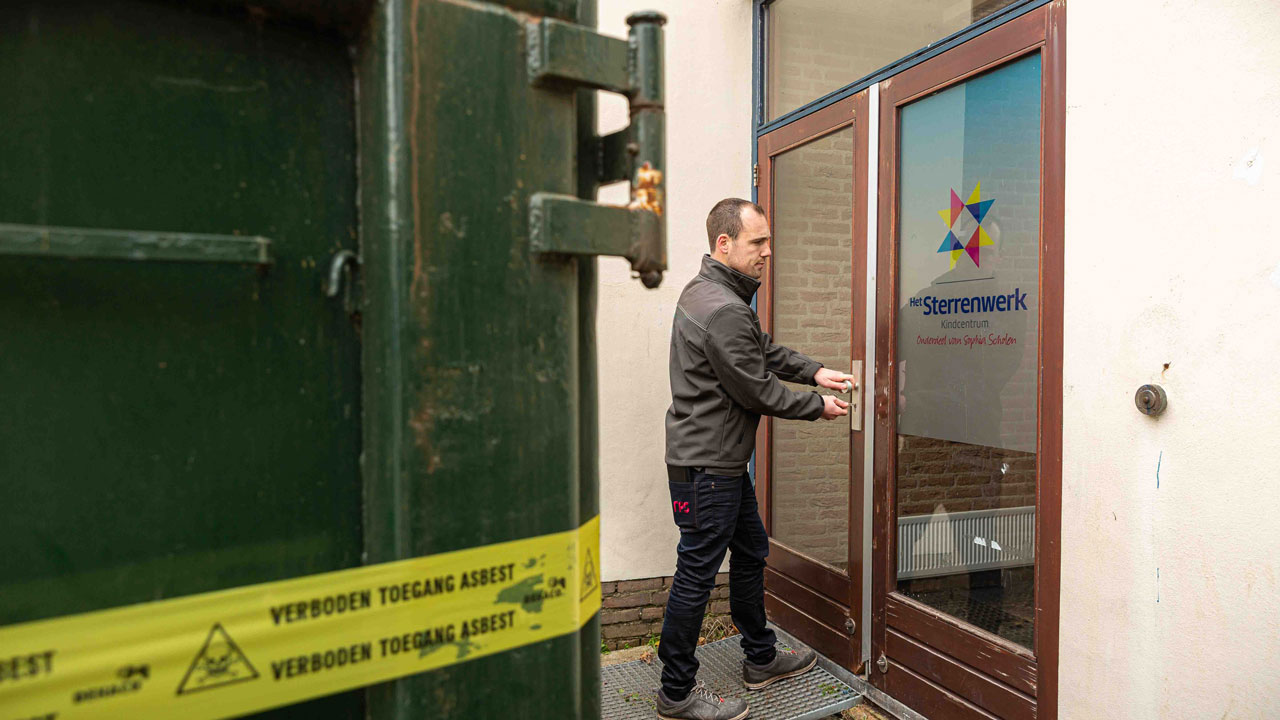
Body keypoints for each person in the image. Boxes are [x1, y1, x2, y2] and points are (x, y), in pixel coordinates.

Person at [656, 198, 854, 720]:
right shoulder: (722, 308)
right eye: (758, 242)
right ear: (725, 244)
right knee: (697, 574)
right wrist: (819, 407)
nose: (769, 250)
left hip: (716, 461)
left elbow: (758, 350)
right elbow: (756, 388)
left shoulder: (711, 294)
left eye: (768, 240)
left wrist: (813, 371)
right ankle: (676, 693)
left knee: (750, 550)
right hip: (710, 469)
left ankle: (760, 657)